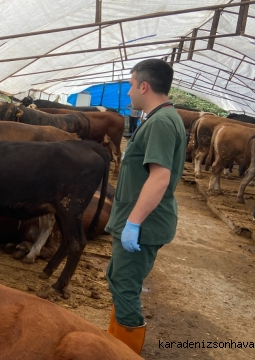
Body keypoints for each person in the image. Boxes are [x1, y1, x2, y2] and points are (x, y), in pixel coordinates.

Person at [105, 59, 187, 355]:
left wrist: (134, 223)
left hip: (144, 224)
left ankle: (123, 353)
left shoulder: (163, 122)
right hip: (138, 221)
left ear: (144, 85)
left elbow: (160, 176)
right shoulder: (159, 118)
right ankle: (113, 347)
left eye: (130, 85)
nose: (128, 93)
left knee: (125, 290)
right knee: (117, 280)